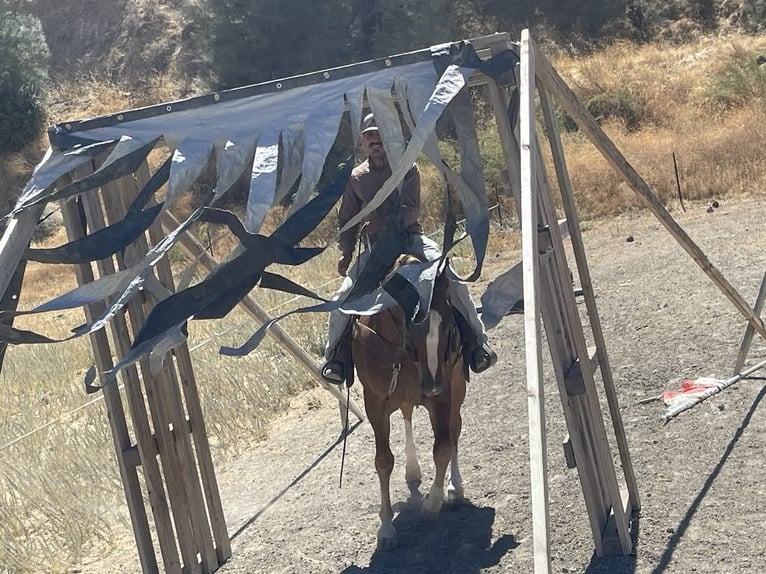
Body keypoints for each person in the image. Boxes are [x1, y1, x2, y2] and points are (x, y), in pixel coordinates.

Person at [321, 113, 496, 384]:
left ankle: (476, 343)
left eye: (379, 134)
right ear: (363, 141)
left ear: (387, 136)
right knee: (342, 297)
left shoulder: (407, 168)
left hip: (409, 238)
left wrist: (381, 221)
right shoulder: (355, 178)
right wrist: (346, 251)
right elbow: (347, 219)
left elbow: (411, 210)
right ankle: (336, 357)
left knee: (452, 278)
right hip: (376, 247)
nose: (375, 140)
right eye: (369, 135)